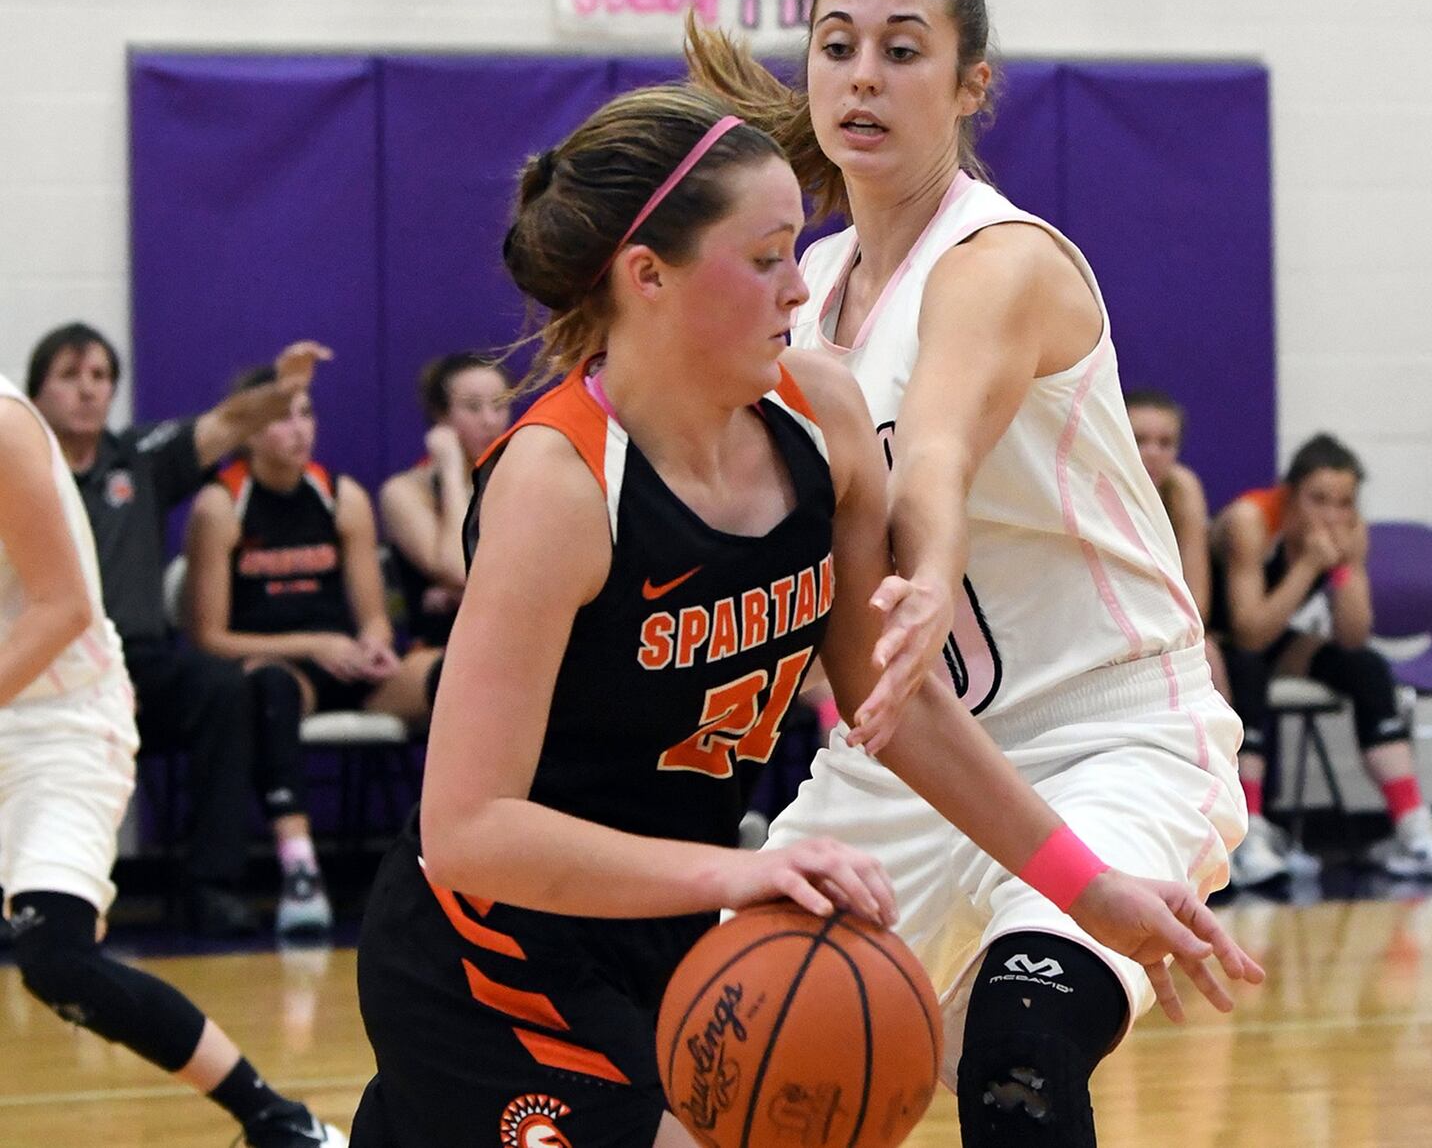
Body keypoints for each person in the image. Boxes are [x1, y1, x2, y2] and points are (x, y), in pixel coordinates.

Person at [351, 85, 1261, 1148]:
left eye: (799, 250)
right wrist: (742, 870)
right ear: (648, 277)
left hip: (669, 935)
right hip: (494, 961)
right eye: (768, 257)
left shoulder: (817, 414)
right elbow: (468, 832)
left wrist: (1085, 887)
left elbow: (897, 703)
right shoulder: (560, 485)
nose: (801, 288)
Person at [686, 0, 1250, 1145]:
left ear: (970, 83)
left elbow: (935, 442)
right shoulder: (804, 288)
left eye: (903, 51)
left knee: (1019, 1050)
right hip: (909, 752)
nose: (863, 78)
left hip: (1109, 733)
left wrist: (928, 573)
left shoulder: (1000, 261)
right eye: (836, 49)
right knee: (720, 1077)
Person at [0, 372, 347, 1147]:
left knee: (58, 962)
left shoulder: (4, 426)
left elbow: (64, 606)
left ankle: (277, 1119)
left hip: (55, 723)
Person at [26, 323, 330, 935]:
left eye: (100, 377)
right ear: (35, 394)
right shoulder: (20, 472)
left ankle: (210, 885)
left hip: (138, 660)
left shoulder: (139, 459)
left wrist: (280, 390)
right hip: (47, 666)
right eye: (69, 376)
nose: (87, 391)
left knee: (223, 687)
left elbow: (228, 422)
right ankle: (25, 896)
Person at [1210, 432, 1432, 886]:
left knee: (1368, 667)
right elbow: (1250, 632)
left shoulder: (1350, 531)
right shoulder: (1251, 520)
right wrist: (1306, 567)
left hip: (1283, 638)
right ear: (1290, 495)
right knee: (1248, 665)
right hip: (1223, 642)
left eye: (1344, 503)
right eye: (1319, 500)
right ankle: (1248, 831)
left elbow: (1354, 636)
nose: (1332, 516)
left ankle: (1411, 825)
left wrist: (1344, 570)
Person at [184, 371, 440, 812]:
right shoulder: (221, 504)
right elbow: (208, 638)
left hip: (348, 666)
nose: (299, 429)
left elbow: (375, 616)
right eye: (281, 418)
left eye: (305, 414)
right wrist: (315, 644)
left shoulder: (342, 496)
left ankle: (454, 838)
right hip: (279, 669)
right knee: (272, 690)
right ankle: (297, 854)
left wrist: (375, 643)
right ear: (247, 430)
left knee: (449, 672)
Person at [378, 353, 510, 650]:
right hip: (436, 648)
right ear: (441, 415)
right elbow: (459, 569)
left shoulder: (518, 482)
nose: (489, 421)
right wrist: (452, 473)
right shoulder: (404, 491)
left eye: (499, 405)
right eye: (473, 408)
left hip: (509, 641)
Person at [1125, 388, 1231, 701]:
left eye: (1165, 443)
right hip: (1117, 625)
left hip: (1167, 623)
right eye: (1139, 440)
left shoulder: (1182, 490)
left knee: (1206, 651)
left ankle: (1223, 748)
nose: (1153, 453)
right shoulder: (1089, 489)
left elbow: (1197, 604)